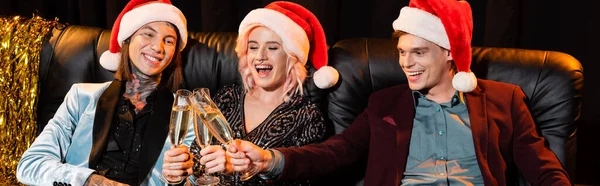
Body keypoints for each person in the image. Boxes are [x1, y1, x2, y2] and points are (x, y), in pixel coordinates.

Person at [224, 0, 571, 185]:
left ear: (449, 52)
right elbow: (336, 152)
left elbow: (543, 170)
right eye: (402, 53)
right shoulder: (385, 103)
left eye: (418, 53)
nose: (407, 63)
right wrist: (271, 159)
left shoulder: (504, 99)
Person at [16, 0, 195, 185]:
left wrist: (179, 180)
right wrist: (94, 182)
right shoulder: (81, 97)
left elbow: (195, 179)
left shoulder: (185, 112)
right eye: (148, 34)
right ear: (127, 39)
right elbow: (30, 164)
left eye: (169, 41)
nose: (158, 47)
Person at [162, 1, 339, 185]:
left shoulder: (307, 117)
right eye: (253, 47)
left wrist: (236, 171)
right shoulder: (226, 98)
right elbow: (197, 171)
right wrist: (180, 175)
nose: (260, 55)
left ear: (292, 57)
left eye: (272, 47)